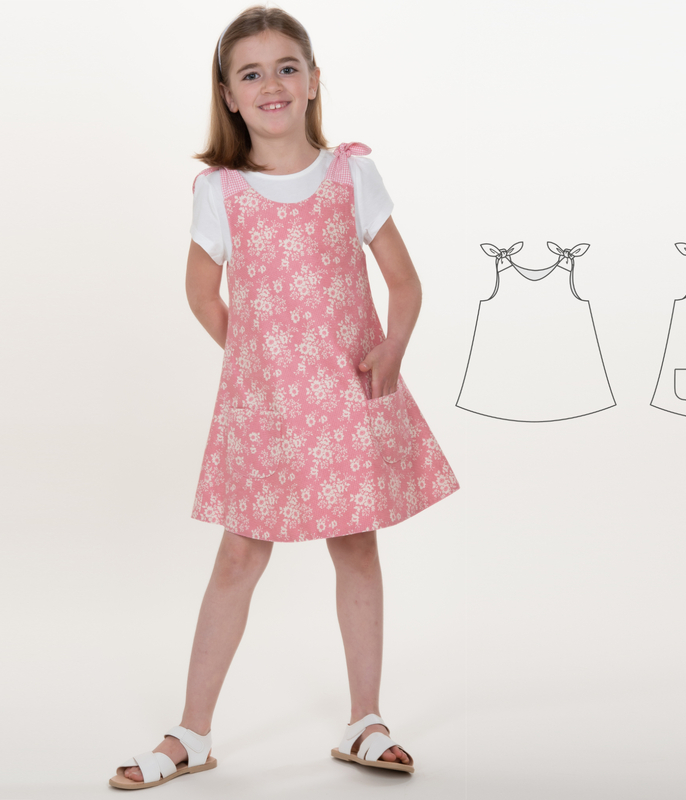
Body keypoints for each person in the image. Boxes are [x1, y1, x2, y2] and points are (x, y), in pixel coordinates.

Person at [109, 5, 459, 790]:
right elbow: (202, 294)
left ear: (313, 81)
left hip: (346, 396)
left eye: (286, 67)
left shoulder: (351, 174)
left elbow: (404, 282)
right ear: (229, 95)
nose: (271, 83)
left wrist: (393, 347)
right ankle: (190, 731)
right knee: (240, 552)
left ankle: (365, 719)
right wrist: (256, 363)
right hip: (264, 406)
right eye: (251, 73)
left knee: (355, 543)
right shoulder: (221, 190)